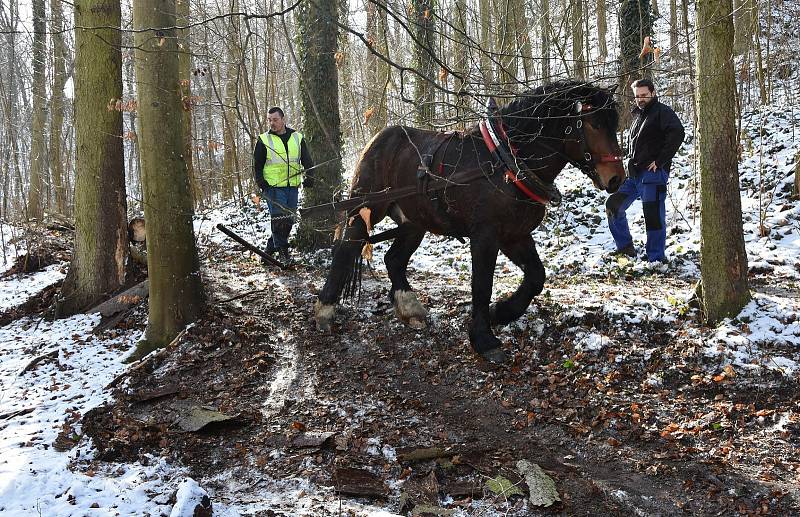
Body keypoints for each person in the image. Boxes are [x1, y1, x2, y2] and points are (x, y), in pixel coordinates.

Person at [606, 78, 685, 263]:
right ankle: (626, 249)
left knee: (653, 216)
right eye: (637, 96)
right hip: (634, 176)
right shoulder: (639, 116)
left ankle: (655, 258)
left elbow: (678, 133)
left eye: (644, 95)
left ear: (653, 93)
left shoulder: (662, 112)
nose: (640, 99)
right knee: (613, 206)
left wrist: (660, 160)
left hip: (653, 175)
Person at [253, 107, 315, 261]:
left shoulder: (297, 137)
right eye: (269, 120)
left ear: (283, 119)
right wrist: (262, 183)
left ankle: (269, 250)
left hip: (292, 186)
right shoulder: (264, 140)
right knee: (279, 219)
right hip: (272, 187)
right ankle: (283, 252)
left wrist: (310, 176)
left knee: (289, 219)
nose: (271, 123)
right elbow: (257, 166)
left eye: (275, 119)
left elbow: (307, 160)